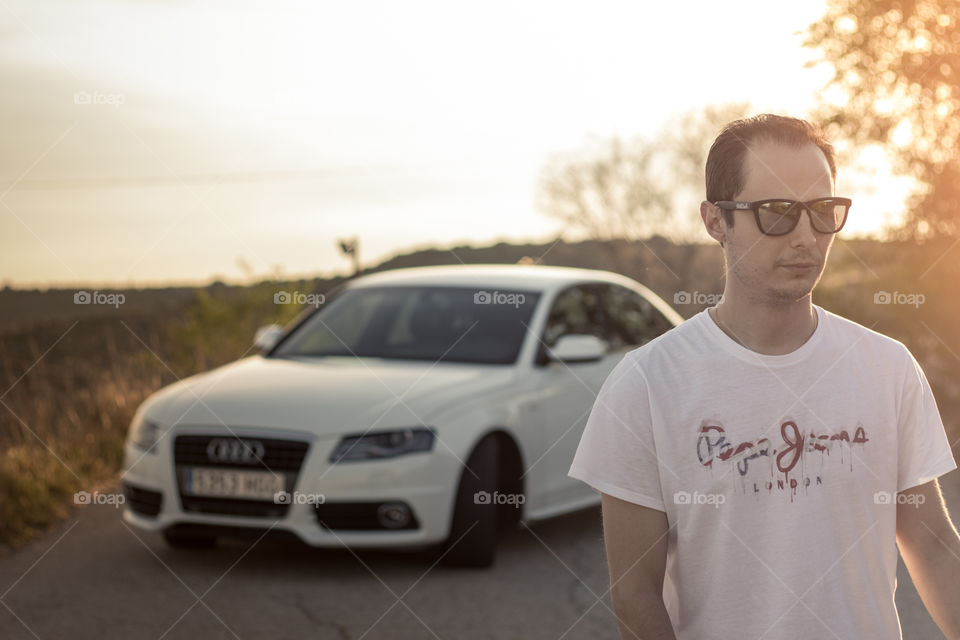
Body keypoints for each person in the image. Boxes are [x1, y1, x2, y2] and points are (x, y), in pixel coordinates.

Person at [568, 114, 960, 640]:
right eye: (777, 212)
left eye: (824, 211)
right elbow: (634, 598)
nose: (806, 236)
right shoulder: (646, 384)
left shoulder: (887, 368)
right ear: (715, 221)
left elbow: (933, 546)